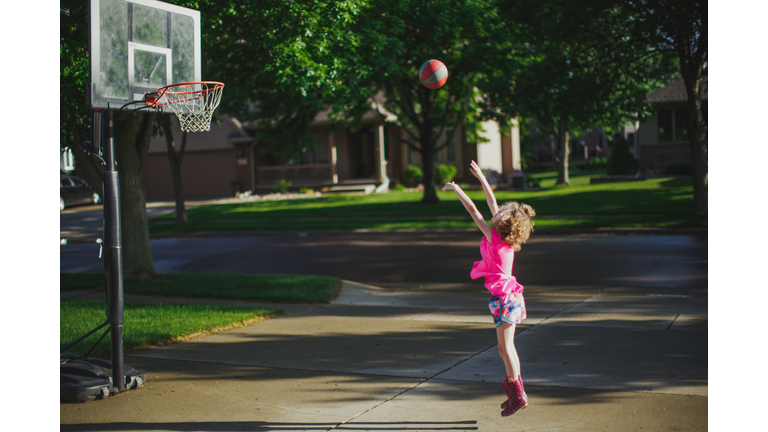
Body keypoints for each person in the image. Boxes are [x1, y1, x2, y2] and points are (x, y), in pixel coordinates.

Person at [441, 160, 536, 417]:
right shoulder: (507, 240)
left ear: (502, 223)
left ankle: (518, 395)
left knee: (507, 349)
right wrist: (482, 177)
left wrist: (456, 189)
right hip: (508, 297)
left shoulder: (494, 238)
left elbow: (475, 211)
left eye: (500, 215)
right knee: (505, 349)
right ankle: (515, 393)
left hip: (505, 299)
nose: (497, 213)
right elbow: (491, 205)